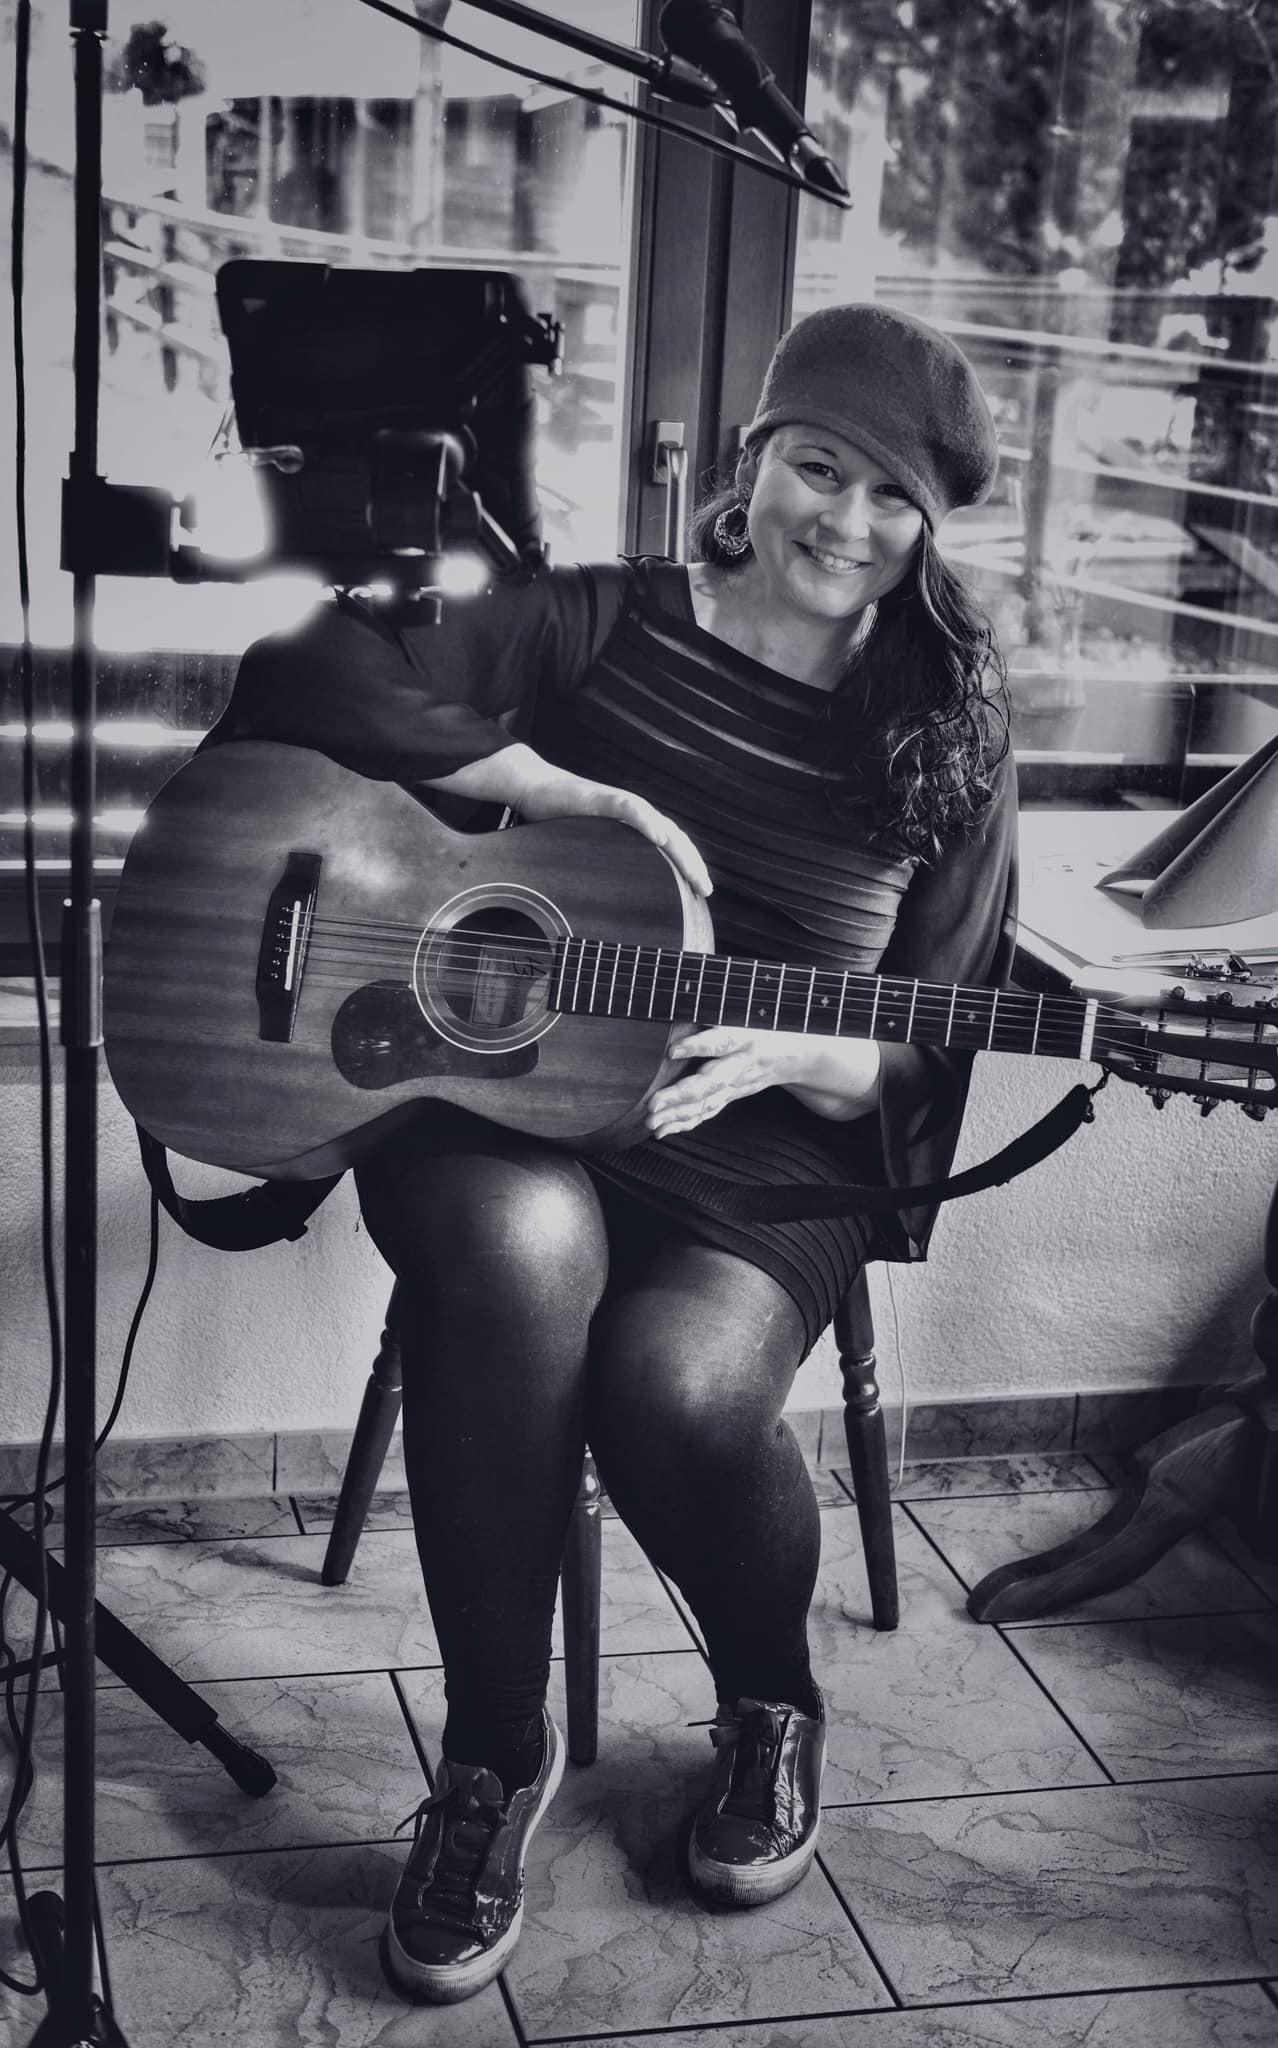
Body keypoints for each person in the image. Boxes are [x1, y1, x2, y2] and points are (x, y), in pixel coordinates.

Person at [209, 302, 1016, 2006]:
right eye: (818, 467)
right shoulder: (594, 619)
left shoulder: (947, 712)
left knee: (679, 1384)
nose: (845, 521)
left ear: (932, 524)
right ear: (753, 457)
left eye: (892, 496)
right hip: (505, 1088)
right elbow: (307, 671)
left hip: (760, 1137)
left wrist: (808, 1049)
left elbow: (935, 1025)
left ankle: (770, 1703)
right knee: (515, 1256)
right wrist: (547, 786)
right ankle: (491, 1764)